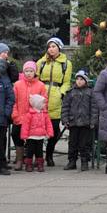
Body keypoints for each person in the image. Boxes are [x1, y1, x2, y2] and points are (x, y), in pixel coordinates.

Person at [37, 37, 72, 168]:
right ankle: (39, 156)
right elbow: (35, 78)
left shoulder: (66, 63)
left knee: (54, 131)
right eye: (49, 47)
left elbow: (67, 81)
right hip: (41, 97)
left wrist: (61, 93)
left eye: (53, 46)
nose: (51, 49)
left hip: (56, 98)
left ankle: (49, 154)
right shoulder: (41, 62)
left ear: (59, 48)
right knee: (38, 130)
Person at [62, 70, 99, 171]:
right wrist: (65, 120)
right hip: (73, 122)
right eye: (77, 79)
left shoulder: (91, 93)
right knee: (72, 143)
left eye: (81, 79)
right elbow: (65, 107)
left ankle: (84, 161)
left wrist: (93, 121)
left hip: (85, 123)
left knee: (85, 144)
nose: (79, 81)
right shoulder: (70, 93)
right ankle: (72, 161)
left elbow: (94, 109)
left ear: (86, 81)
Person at [11, 61, 44, 171]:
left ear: (35, 72)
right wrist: (15, 114)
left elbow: (44, 102)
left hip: (34, 118)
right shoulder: (17, 85)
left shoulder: (40, 85)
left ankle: (33, 159)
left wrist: (41, 115)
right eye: (26, 71)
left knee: (34, 139)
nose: (29, 73)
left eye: (31, 71)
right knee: (16, 134)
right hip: (20, 116)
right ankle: (19, 159)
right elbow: (13, 101)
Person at [21, 92, 53, 172]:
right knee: (30, 151)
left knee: (39, 151)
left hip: (40, 136)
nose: (44, 105)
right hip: (31, 136)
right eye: (42, 103)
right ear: (36, 104)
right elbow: (25, 126)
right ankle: (29, 164)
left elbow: (48, 124)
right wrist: (24, 136)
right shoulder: (29, 114)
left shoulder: (44, 114)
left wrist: (49, 133)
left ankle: (40, 164)